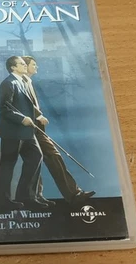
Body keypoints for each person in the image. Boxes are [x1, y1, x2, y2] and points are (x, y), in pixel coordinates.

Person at [22, 56, 95, 205]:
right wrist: (38, 115)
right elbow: (21, 103)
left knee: (49, 158)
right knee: (38, 161)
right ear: (25, 66)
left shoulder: (28, 82)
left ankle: (72, 195)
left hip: (36, 129)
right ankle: (38, 197)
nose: (36, 67)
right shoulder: (19, 83)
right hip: (27, 129)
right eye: (33, 64)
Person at [0, 56, 48, 210]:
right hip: (11, 132)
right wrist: (22, 119)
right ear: (13, 67)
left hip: (25, 132)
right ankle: (1, 200)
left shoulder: (22, 82)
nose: (25, 66)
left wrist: (38, 116)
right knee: (8, 164)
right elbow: (4, 108)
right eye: (21, 64)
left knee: (36, 157)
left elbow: (28, 105)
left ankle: (26, 197)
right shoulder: (8, 83)